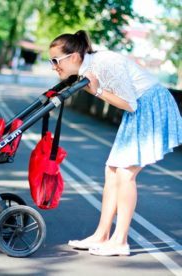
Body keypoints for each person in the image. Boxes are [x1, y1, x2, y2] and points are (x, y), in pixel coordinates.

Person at [49, 30, 182, 256]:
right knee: (112, 170)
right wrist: (96, 89)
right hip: (140, 110)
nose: (53, 66)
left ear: (73, 57)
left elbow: (129, 103)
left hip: (150, 106)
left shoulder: (105, 63)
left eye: (55, 60)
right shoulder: (89, 68)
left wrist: (98, 90)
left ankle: (120, 241)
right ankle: (101, 235)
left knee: (125, 172)